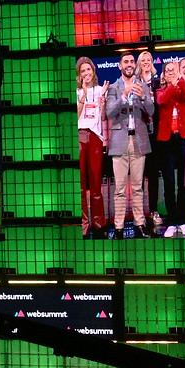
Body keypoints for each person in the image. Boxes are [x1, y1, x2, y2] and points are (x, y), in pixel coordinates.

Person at [104, 51, 155, 237]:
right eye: (125, 61)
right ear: (119, 66)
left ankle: (139, 225)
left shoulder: (143, 86)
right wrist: (124, 96)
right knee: (119, 189)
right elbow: (109, 112)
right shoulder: (114, 87)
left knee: (137, 187)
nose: (129, 64)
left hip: (139, 141)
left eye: (132, 61)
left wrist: (142, 97)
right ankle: (118, 228)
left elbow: (151, 110)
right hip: (119, 142)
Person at [153, 59, 185, 236]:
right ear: (163, 74)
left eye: (174, 70)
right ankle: (172, 220)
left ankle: (183, 219)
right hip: (166, 140)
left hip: (184, 137)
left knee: (184, 180)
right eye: (168, 71)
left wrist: (180, 81)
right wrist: (172, 85)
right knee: (169, 182)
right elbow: (162, 101)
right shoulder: (160, 90)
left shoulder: (182, 87)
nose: (171, 73)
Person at [74, 57, 107, 236]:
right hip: (80, 136)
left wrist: (102, 104)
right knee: (81, 184)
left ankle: (99, 223)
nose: (87, 74)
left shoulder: (101, 90)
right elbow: (76, 117)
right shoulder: (77, 92)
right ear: (79, 75)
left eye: (89, 70)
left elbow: (103, 118)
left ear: (94, 72)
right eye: (83, 71)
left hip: (95, 137)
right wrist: (84, 94)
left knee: (95, 183)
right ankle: (84, 226)